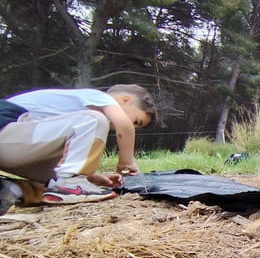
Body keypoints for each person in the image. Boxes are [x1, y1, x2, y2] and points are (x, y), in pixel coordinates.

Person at [0, 84, 157, 210]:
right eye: (136, 121)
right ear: (125, 99)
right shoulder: (98, 97)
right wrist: (127, 162)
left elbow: (57, 158)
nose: (133, 127)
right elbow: (124, 125)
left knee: (54, 180)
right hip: (8, 126)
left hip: (15, 144)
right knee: (94, 120)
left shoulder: (69, 119)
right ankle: (71, 184)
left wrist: (90, 176)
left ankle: (13, 189)